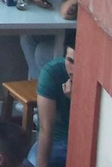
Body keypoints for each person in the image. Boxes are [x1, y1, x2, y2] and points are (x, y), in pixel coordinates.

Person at [31, 34, 73, 167]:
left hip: (80, 141)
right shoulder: (53, 72)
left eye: (80, 62)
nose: (74, 69)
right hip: (56, 140)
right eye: (70, 60)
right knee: (31, 162)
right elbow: (45, 128)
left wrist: (76, 101)